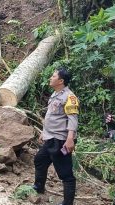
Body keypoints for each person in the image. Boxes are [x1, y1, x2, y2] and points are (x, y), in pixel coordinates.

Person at [33, 68, 79, 205]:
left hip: (60, 140)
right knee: (40, 160)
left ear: (61, 81)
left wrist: (70, 139)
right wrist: (44, 132)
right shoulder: (55, 94)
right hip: (50, 138)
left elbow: (72, 119)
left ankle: (67, 202)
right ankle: (38, 187)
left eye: (53, 76)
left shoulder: (70, 97)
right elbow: (51, 116)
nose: (50, 78)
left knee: (65, 173)